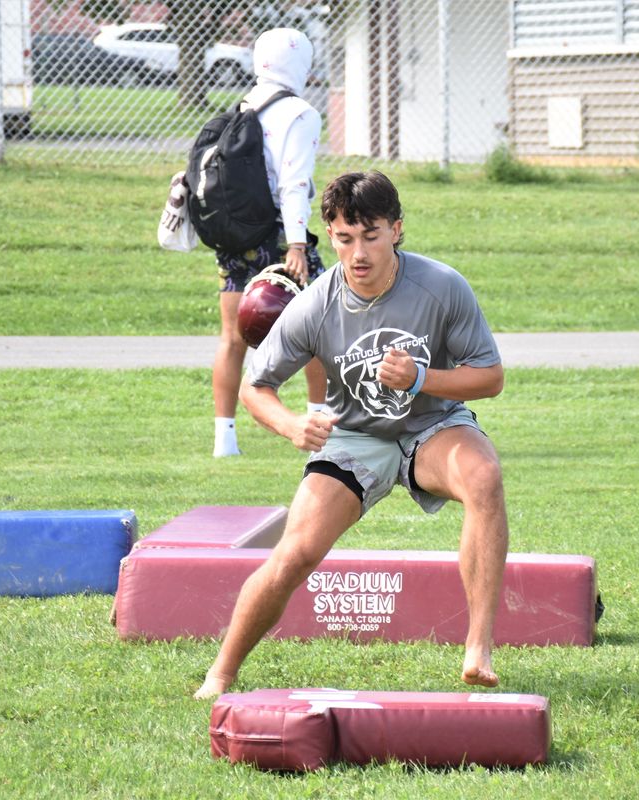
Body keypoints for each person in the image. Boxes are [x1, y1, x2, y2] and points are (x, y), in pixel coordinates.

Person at [194, 170, 509, 699]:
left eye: (371, 235)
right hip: (355, 435)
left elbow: (490, 377)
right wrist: (293, 424)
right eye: (343, 238)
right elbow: (256, 388)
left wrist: (422, 379)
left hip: (431, 425)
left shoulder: (442, 287)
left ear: (397, 230)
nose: (357, 252)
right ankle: (220, 673)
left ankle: (478, 648)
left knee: (484, 478)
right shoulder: (316, 303)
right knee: (295, 554)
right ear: (332, 236)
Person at [212, 27, 328, 457]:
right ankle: (321, 423)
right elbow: (294, 184)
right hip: (281, 236)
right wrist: (296, 246)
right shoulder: (300, 112)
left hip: (235, 236)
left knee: (232, 337)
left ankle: (225, 439)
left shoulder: (242, 108)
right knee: (318, 331)